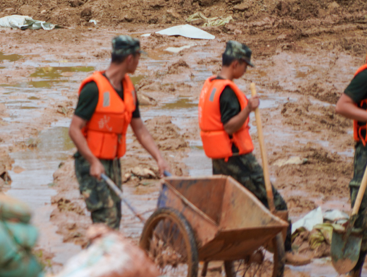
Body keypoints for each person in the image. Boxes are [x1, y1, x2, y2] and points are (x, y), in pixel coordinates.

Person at [197, 41, 310, 266]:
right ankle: (285, 251)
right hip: (238, 159)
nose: (245, 70)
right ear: (236, 63)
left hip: (219, 159)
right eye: (245, 66)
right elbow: (229, 126)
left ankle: (222, 255)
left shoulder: (210, 84)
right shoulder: (227, 91)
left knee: (227, 209)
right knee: (277, 203)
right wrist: (249, 108)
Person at [69, 36, 170, 230]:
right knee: (105, 221)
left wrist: (159, 158)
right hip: (90, 163)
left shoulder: (128, 89)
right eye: (139, 57)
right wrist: (93, 162)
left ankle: (105, 257)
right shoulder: (93, 88)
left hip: (112, 162)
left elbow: (139, 128)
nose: (139, 62)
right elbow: (74, 130)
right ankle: (97, 257)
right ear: (130, 59)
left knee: (114, 220)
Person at [334, 55, 367, 277]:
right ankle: (354, 270)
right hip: (365, 153)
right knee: (362, 212)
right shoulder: (365, 76)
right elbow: (342, 106)